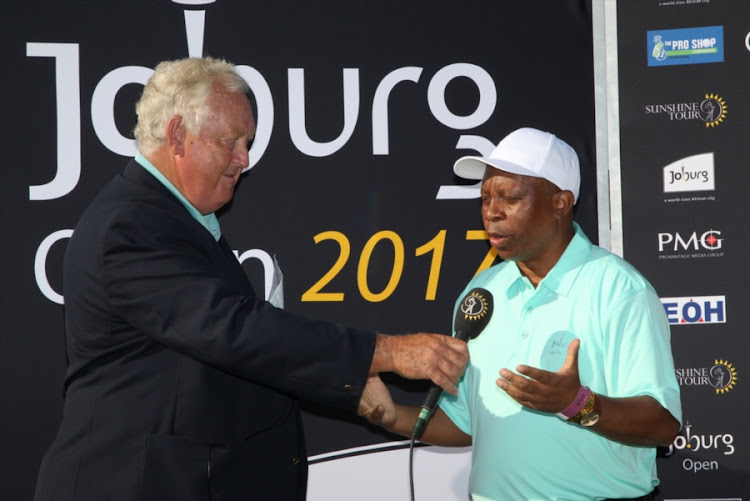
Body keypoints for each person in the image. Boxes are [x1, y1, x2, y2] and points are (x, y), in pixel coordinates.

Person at [33, 57, 469, 501]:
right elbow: (233, 330)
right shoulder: (130, 226)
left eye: (248, 142)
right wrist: (386, 352)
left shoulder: (172, 220)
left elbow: (233, 357)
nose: (245, 158)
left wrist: (349, 383)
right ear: (178, 135)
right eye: (231, 141)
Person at [358, 127, 682, 500]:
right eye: (484, 199)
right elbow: (468, 424)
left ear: (560, 203)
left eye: (510, 198)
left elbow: (662, 425)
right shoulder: (480, 293)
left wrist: (576, 403)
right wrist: (389, 415)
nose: (491, 213)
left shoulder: (619, 290)